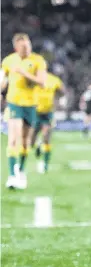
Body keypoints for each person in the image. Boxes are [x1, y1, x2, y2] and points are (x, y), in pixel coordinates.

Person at [1, 33, 47, 189]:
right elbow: (3, 81)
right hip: (14, 103)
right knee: (13, 138)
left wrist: (24, 73)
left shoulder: (38, 61)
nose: (27, 49)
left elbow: (42, 82)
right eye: (23, 47)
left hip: (31, 105)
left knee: (25, 142)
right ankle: (12, 176)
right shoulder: (8, 61)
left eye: (28, 46)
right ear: (16, 48)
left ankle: (20, 171)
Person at [31, 71, 66, 173]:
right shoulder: (34, 79)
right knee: (31, 141)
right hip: (35, 111)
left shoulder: (54, 80)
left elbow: (62, 91)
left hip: (48, 112)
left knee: (47, 136)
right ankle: (38, 145)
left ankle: (45, 165)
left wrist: (59, 100)